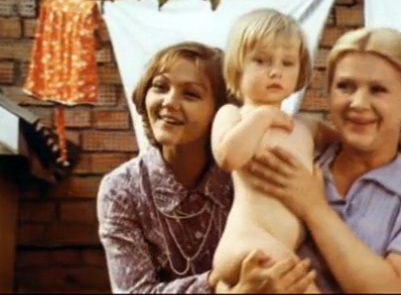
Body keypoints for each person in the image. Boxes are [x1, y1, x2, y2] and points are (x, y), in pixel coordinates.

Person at [241, 27, 401, 293]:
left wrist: (314, 208)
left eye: (378, 90)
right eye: (345, 87)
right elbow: (235, 250)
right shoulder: (290, 157)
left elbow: (397, 290)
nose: (358, 103)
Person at [96, 41, 315, 294]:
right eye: (159, 87)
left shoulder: (246, 168)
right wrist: (224, 285)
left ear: (221, 110)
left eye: (190, 94)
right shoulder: (122, 189)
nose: (169, 102)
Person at [210, 8, 335, 293]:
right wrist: (261, 117)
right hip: (248, 242)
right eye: (261, 61)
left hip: (278, 246)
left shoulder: (305, 127)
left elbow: (351, 142)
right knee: (306, 286)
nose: (275, 71)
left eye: (287, 63)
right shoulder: (234, 115)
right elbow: (229, 157)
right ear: (237, 68)